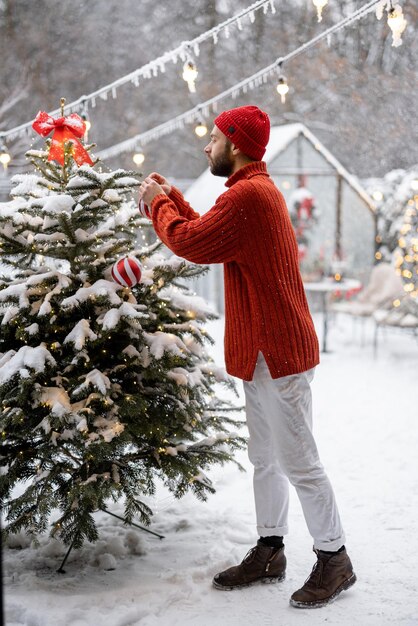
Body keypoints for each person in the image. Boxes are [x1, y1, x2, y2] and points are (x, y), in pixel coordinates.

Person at [138, 105, 356, 609]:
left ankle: (336, 559)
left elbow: (189, 242)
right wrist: (170, 197)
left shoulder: (251, 196)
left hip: (279, 351)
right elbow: (211, 235)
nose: (205, 146)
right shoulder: (245, 195)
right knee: (266, 460)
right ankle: (271, 549)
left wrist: (156, 206)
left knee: (299, 462)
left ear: (234, 144)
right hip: (262, 351)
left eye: (212, 139)